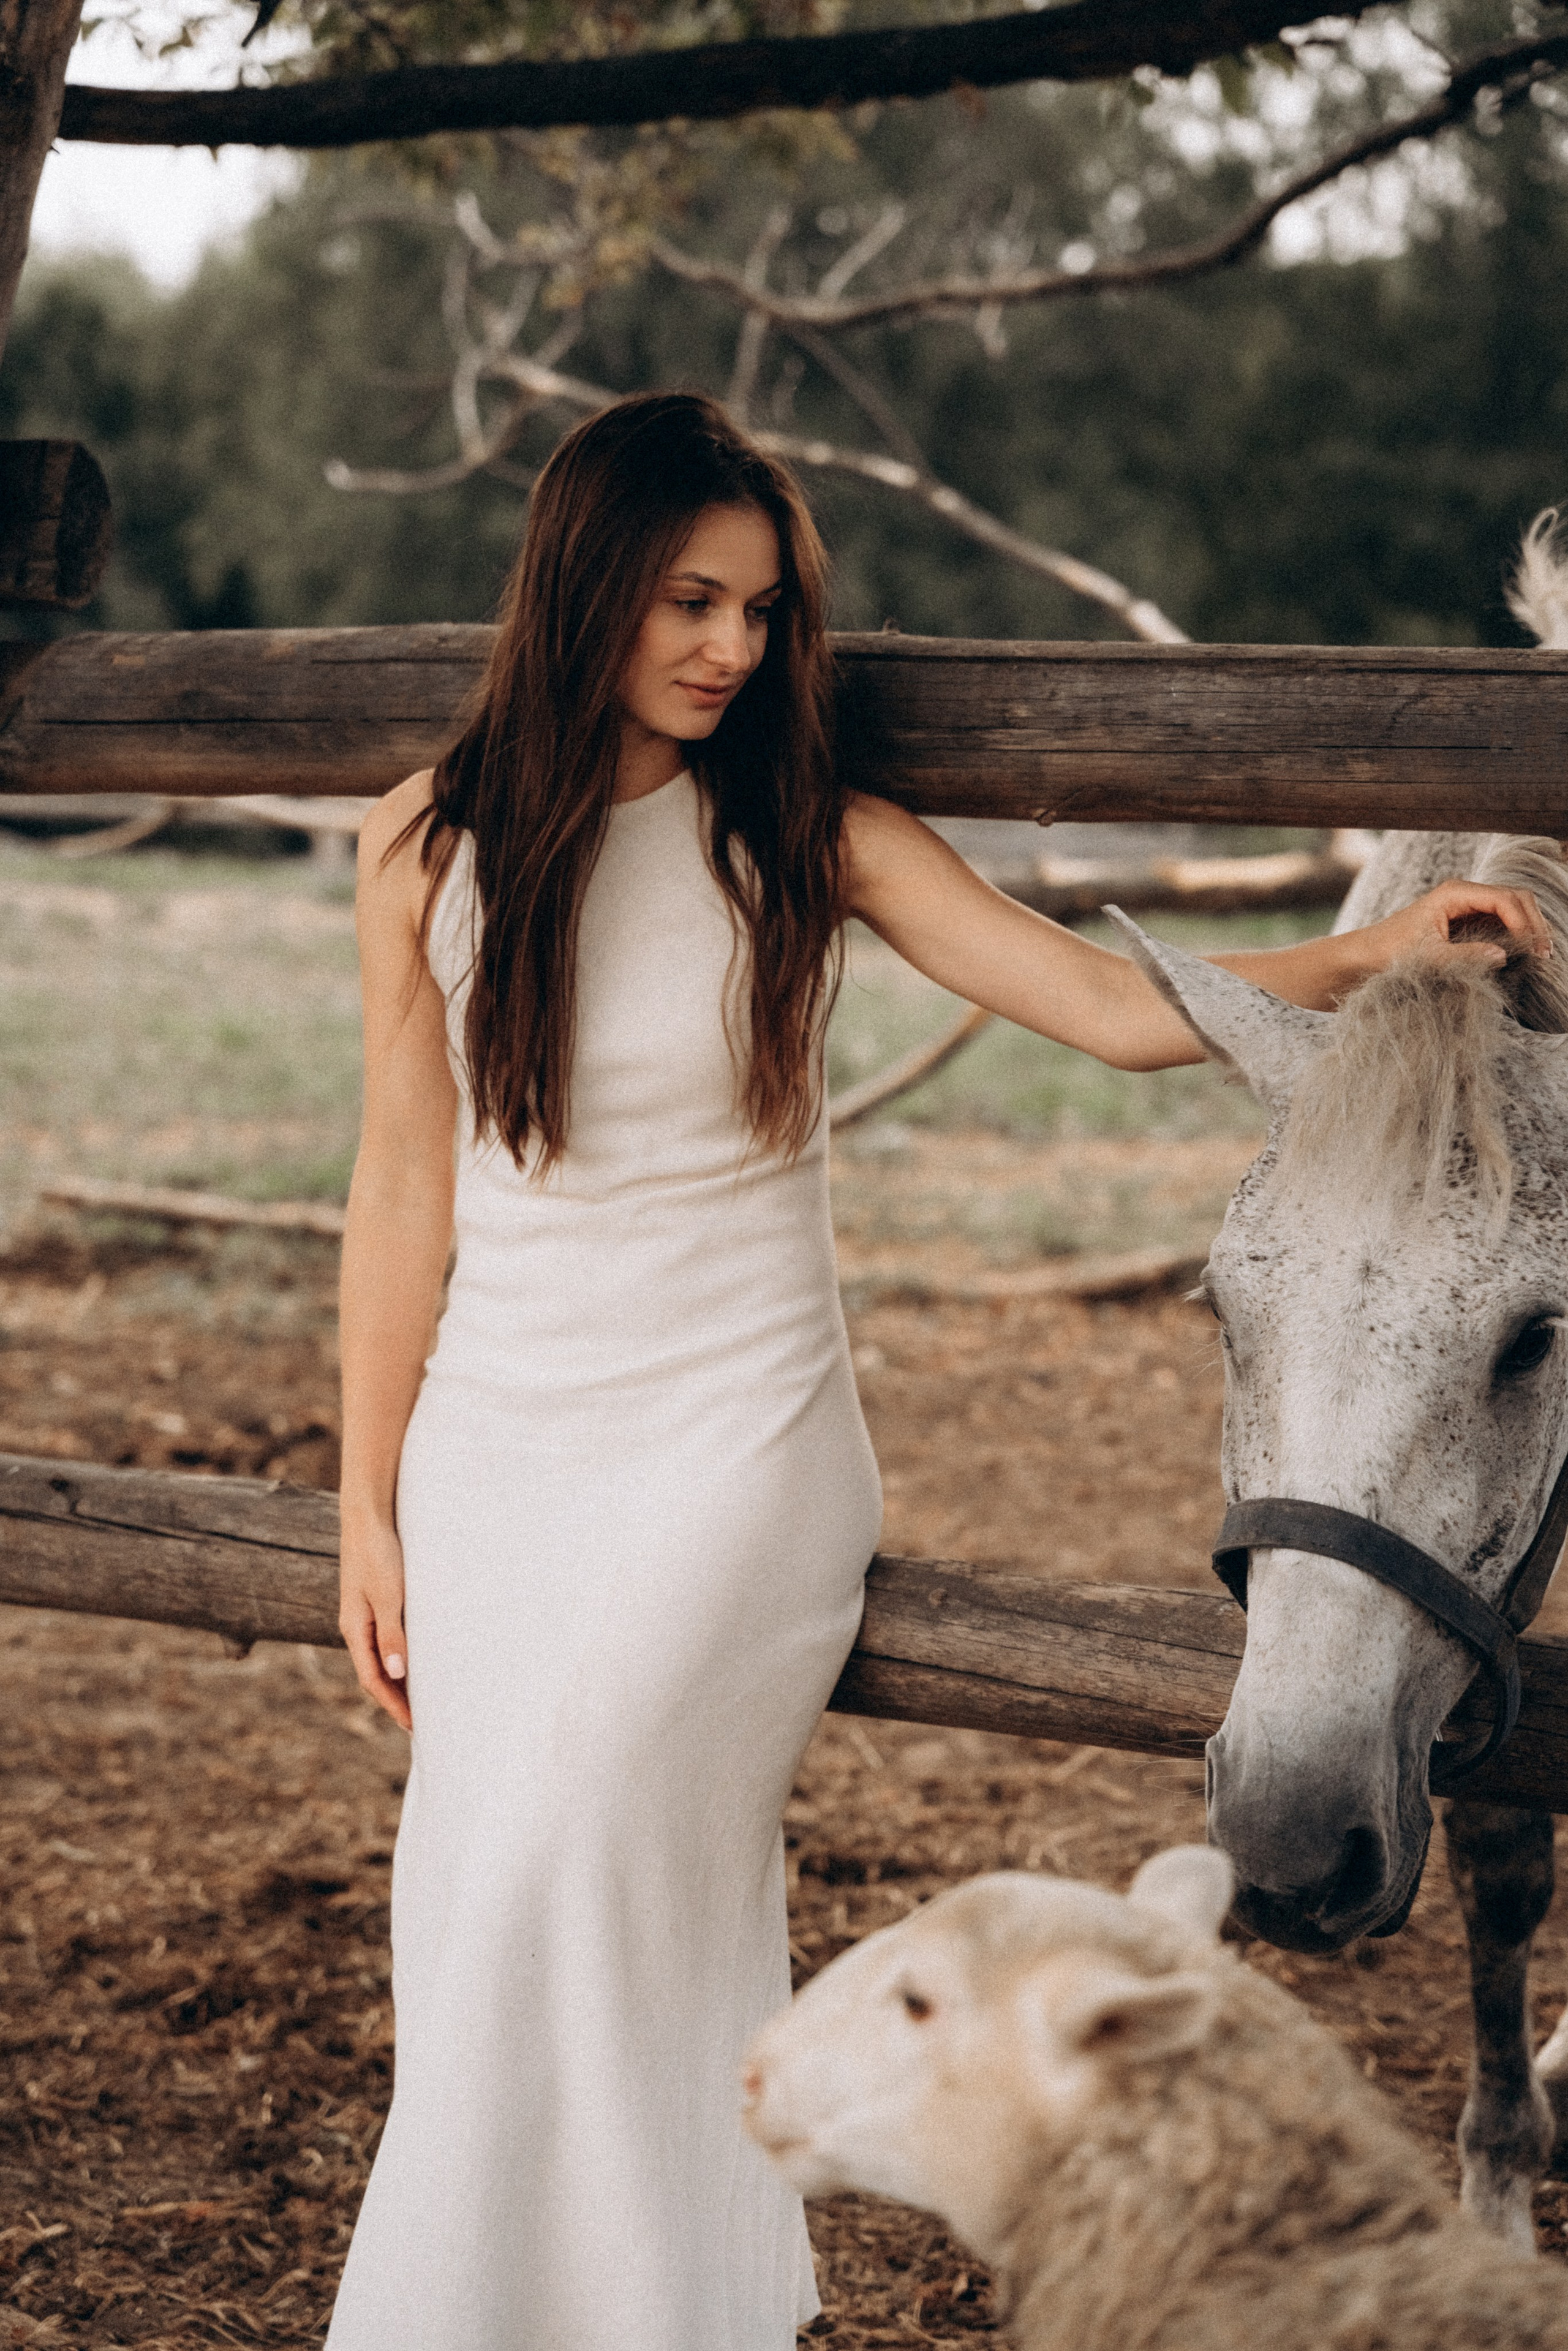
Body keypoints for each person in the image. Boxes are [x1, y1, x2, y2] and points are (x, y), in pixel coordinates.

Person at [325, 390, 1546, 2351]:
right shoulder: (423, 848)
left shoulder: (812, 833)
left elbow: (1101, 1010)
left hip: (735, 1453)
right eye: (691, 603)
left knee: (577, 1841)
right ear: (584, 592)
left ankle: (658, 2311)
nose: (734, 648)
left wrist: (1380, 943)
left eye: (762, 611)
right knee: (481, 1896)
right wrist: (366, 1502)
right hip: (497, 1452)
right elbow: (402, 1192)